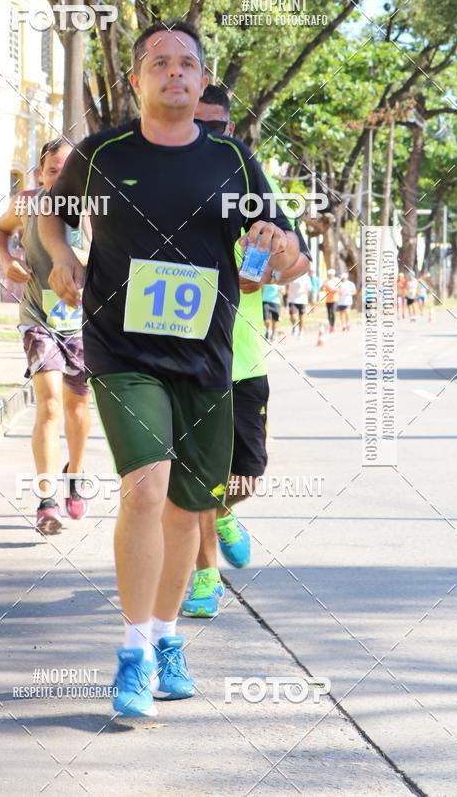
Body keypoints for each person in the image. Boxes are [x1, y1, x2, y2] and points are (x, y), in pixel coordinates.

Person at [39, 20, 302, 718]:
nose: (175, 73)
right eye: (160, 63)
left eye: (188, 63)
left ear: (202, 78)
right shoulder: (99, 155)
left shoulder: (234, 161)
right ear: (137, 80)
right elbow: (51, 216)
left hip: (206, 355)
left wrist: (275, 247)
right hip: (121, 351)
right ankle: (130, 656)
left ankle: (164, 638)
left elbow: (276, 252)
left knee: (191, 509)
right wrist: (64, 256)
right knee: (146, 489)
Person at [180, 87, 311, 620]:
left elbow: (297, 262)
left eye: (219, 126)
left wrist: (279, 253)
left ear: (231, 130)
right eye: (200, 125)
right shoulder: (162, 182)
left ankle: (226, 514)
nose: (211, 135)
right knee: (196, 478)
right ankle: (205, 578)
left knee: (244, 478)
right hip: (184, 362)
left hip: (244, 359)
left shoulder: (253, 186)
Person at [0, 139, 91, 534]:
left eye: (68, 171)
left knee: (78, 410)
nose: (60, 178)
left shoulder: (93, 209)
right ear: (40, 174)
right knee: (49, 405)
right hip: (38, 318)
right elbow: (0, 231)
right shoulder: (27, 204)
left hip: (85, 322)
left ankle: (75, 474)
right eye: (53, 171)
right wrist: (7, 259)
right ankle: (47, 500)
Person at [287, 272, 312, 337]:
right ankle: (295, 326)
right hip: (292, 299)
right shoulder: (292, 275)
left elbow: (309, 288)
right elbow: (288, 285)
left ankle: (301, 331)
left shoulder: (306, 277)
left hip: (302, 299)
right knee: (293, 315)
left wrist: (305, 291)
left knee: (301, 317)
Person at [321, 268, 339, 333]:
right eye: (329, 274)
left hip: (335, 299)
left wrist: (334, 290)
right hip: (328, 299)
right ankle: (331, 325)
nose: (330, 275)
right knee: (329, 314)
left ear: (333, 274)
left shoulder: (336, 280)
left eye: (331, 274)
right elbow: (322, 288)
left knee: (333, 312)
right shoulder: (325, 281)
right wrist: (324, 288)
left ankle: (333, 326)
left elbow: (340, 289)